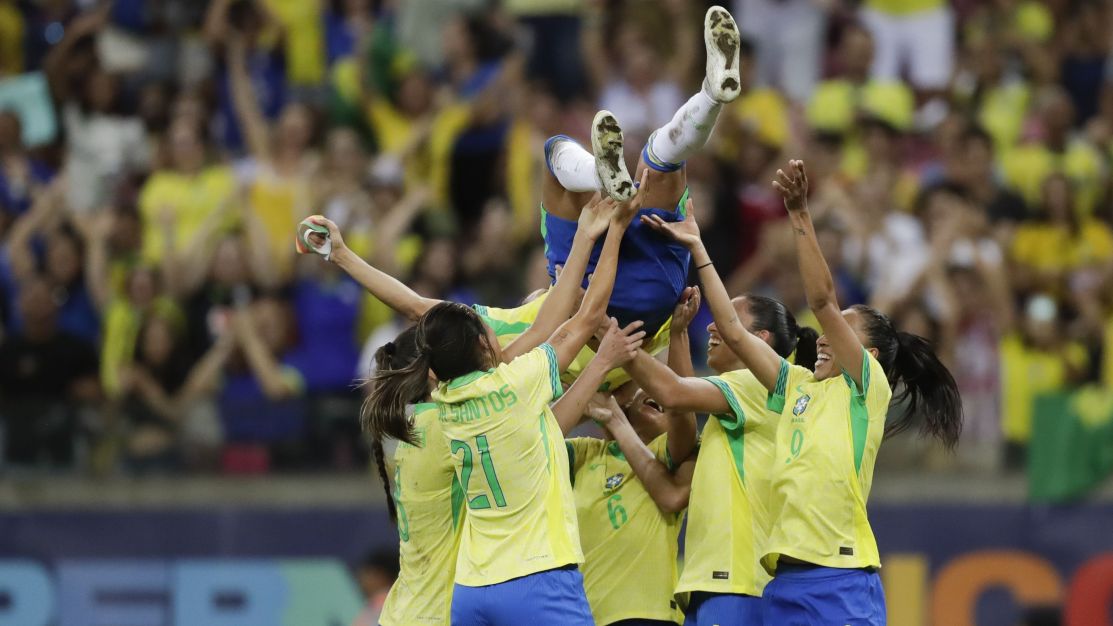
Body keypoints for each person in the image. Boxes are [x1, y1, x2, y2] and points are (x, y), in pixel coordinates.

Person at [642, 160, 962, 625]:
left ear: (868, 354)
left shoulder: (865, 390)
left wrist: (799, 215)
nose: (825, 336)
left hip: (840, 574)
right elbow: (732, 330)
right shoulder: (794, 388)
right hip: (782, 582)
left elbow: (822, 302)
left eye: (843, 332)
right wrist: (697, 246)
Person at [362, 183, 646, 624]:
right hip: (537, 573)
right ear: (484, 343)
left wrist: (599, 365)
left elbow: (545, 425)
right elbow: (583, 316)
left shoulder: (443, 405)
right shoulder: (516, 382)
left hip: (473, 590)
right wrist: (608, 232)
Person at [620, 279, 818, 624]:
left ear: (759, 340)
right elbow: (682, 413)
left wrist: (615, 341)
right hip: (718, 581)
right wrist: (679, 334)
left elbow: (673, 394)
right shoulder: (735, 408)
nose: (712, 324)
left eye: (729, 320)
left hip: (736, 580)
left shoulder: (754, 385)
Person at [563, 289, 703, 626]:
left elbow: (682, 406)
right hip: (583, 616)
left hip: (647, 614)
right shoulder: (583, 453)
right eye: (638, 392)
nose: (650, 394)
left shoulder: (666, 455)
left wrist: (679, 334)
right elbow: (535, 433)